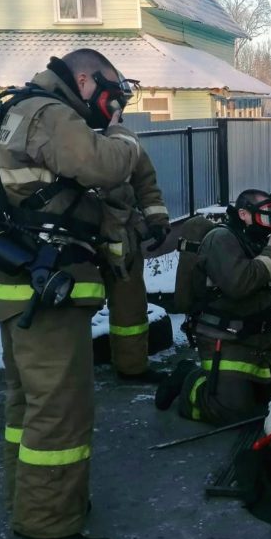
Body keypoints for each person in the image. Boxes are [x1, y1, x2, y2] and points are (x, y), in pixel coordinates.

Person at [0, 49, 142, 539]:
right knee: (60, 412)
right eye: (109, 90)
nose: (111, 101)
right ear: (83, 78)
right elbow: (104, 163)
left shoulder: (21, 109)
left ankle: (29, 504)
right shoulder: (50, 113)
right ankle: (48, 534)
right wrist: (121, 133)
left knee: (25, 407)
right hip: (46, 292)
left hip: (21, 284)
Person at [155, 189, 271, 425]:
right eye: (266, 216)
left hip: (262, 337)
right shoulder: (221, 239)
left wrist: (268, 253)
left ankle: (246, 386)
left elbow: (260, 282)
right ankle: (189, 379)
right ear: (244, 214)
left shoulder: (251, 239)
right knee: (234, 413)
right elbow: (239, 284)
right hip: (226, 339)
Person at [100, 147, 171, 383]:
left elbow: (146, 183)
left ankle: (132, 367)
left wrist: (157, 221)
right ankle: (66, 369)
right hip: (76, 235)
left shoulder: (123, 140)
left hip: (123, 236)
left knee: (130, 305)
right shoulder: (66, 128)